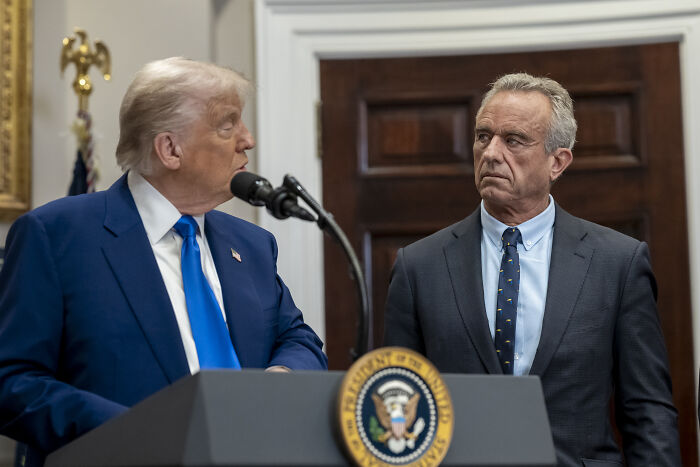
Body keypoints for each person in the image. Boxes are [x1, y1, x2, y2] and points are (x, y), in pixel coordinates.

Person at [0, 57, 327, 466]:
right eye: (228, 125)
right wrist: (138, 431)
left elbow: (299, 340)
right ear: (170, 148)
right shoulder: (57, 235)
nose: (247, 140)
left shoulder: (253, 244)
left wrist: (281, 380)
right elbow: (12, 382)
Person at [383, 73, 680, 466]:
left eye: (514, 140)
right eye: (483, 136)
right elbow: (394, 405)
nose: (490, 152)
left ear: (557, 162)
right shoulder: (419, 266)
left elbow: (648, 413)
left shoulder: (618, 264)